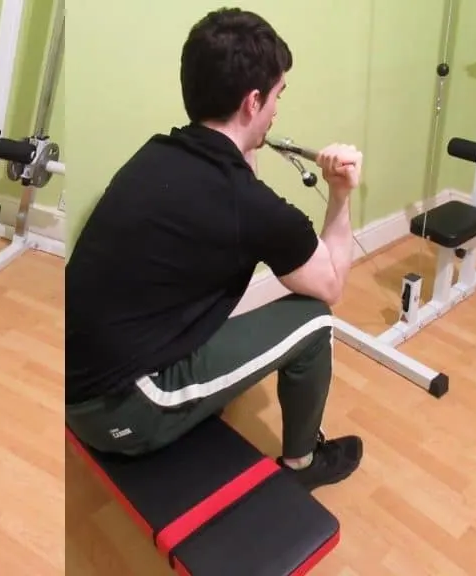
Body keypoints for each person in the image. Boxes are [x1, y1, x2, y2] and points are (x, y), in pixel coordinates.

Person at [65, 7, 364, 491]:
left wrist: (249, 146)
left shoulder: (160, 152)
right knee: (314, 321)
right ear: (252, 102)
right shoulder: (247, 205)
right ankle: (302, 464)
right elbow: (330, 284)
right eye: (277, 97)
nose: (277, 111)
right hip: (120, 412)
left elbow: (236, 191)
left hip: (78, 381)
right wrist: (341, 195)